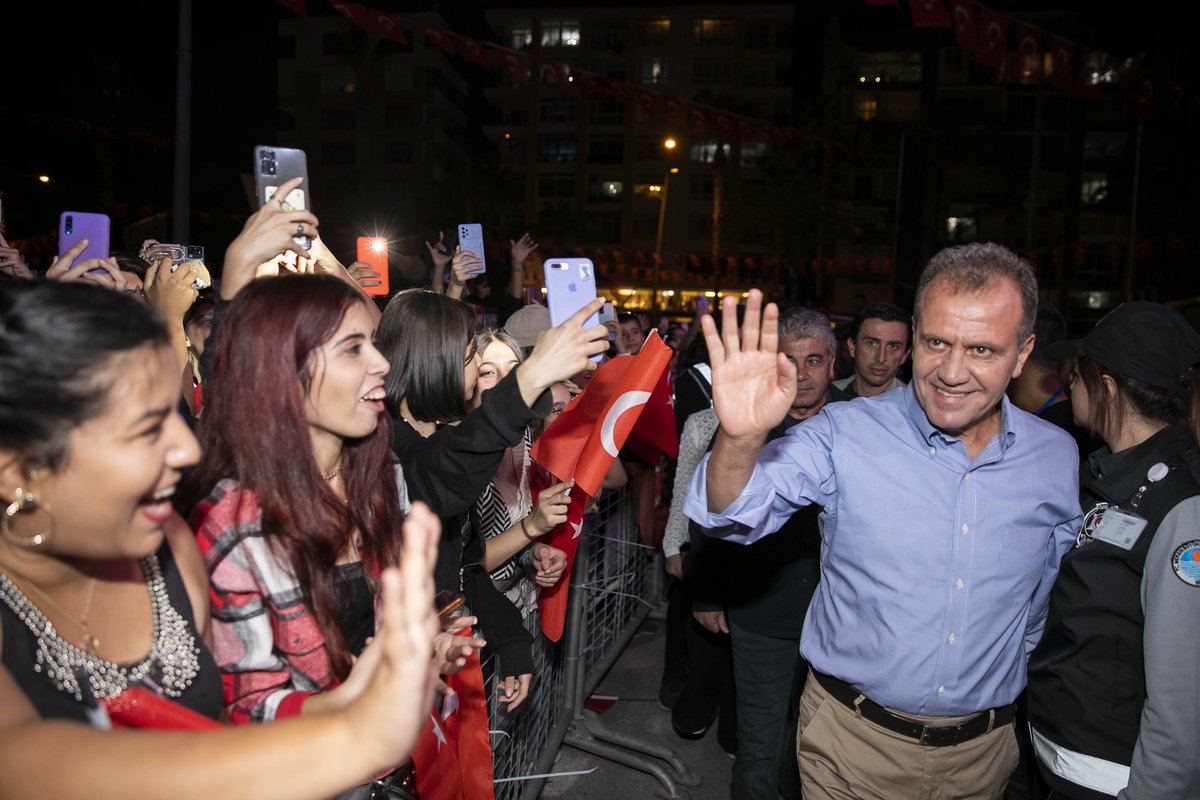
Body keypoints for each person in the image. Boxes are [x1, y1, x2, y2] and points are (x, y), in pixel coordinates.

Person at [0, 279, 439, 800]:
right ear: (17, 469)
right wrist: (357, 733)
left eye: (175, 412)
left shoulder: (169, 550)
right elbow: (26, 760)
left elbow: (218, 726)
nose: (187, 447)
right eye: (147, 427)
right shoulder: (222, 523)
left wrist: (374, 686)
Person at [684, 242, 1082, 800]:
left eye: (983, 350)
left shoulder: (1055, 456)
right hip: (849, 746)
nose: (951, 371)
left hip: (983, 757)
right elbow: (731, 513)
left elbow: (1039, 599)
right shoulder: (844, 431)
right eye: (936, 342)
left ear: (1022, 354)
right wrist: (742, 438)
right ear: (915, 337)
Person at [377, 288, 608, 711]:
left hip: (441, 660)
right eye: (473, 359)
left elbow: (463, 569)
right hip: (390, 680)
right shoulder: (384, 445)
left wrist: (511, 639)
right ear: (436, 359)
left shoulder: (441, 440)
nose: (477, 372)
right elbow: (438, 476)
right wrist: (531, 378)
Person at [1026, 301, 1200, 800]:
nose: (1067, 386)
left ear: (1105, 388)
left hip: (1112, 781)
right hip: (1066, 762)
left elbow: (1181, 701)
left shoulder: (1181, 505)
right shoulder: (1113, 475)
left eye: (1076, 375)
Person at [673, 306, 848, 799]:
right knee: (760, 742)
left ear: (833, 364)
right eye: (790, 360)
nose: (803, 373)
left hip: (837, 622)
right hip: (761, 614)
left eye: (814, 360)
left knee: (818, 747)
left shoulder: (857, 426)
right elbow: (708, 515)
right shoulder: (745, 424)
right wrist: (707, 595)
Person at [832, 301, 910, 399]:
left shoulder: (914, 410)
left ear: (905, 355)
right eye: (872, 343)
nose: (881, 358)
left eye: (893, 346)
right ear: (852, 347)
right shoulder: (826, 398)